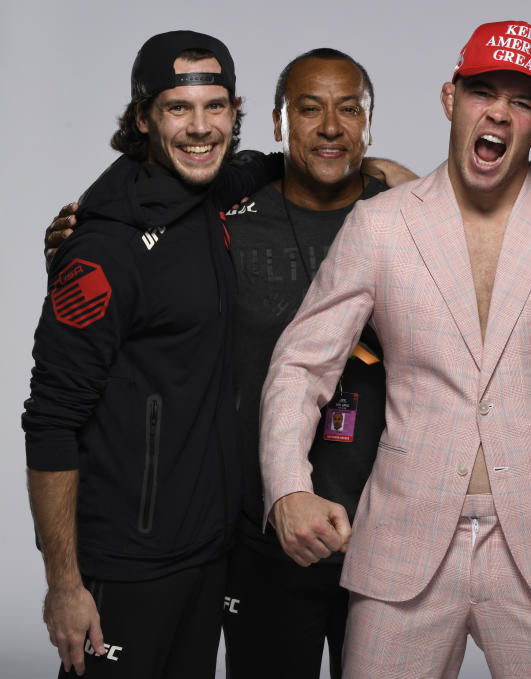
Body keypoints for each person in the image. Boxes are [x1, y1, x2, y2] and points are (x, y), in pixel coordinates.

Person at [259, 20, 531, 678]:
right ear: (451, 99)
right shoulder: (381, 224)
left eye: (521, 101)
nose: (499, 113)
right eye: (484, 91)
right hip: (404, 546)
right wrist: (288, 486)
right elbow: (301, 362)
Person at [22, 31, 281, 678]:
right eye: (178, 109)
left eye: (216, 107)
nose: (201, 128)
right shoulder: (99, 249)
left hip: (206, 554)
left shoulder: (214, 193)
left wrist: (386, 175)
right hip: (127, 567)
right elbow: (51, 421)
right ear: (143, 118)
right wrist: (63, 584)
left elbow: (281, 164)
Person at [219, 49, 391, 679]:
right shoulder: (230, 224)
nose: (329, 127)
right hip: (265, 531)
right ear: (276, 122)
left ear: (369, 126)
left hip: (389, 532)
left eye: (350, 110)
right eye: (308, 108)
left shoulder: (410, 218)